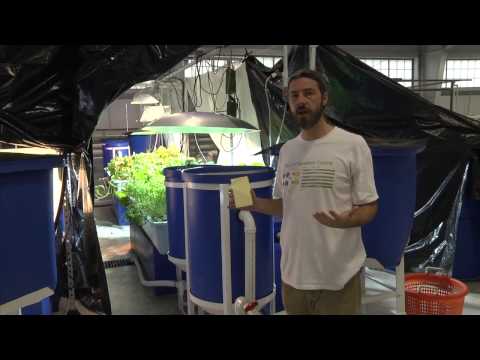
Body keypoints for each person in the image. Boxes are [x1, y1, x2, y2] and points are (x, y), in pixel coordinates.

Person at [231, 69, 379, 315]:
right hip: (294, 276)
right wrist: (255, 204)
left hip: (338, 275)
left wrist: (348, 220)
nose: (301, 100)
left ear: (324, 98)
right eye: (294, 96)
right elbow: (285, 205)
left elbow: (370, 206)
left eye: (308, 93)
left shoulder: (353, 145)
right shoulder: (288, 151)